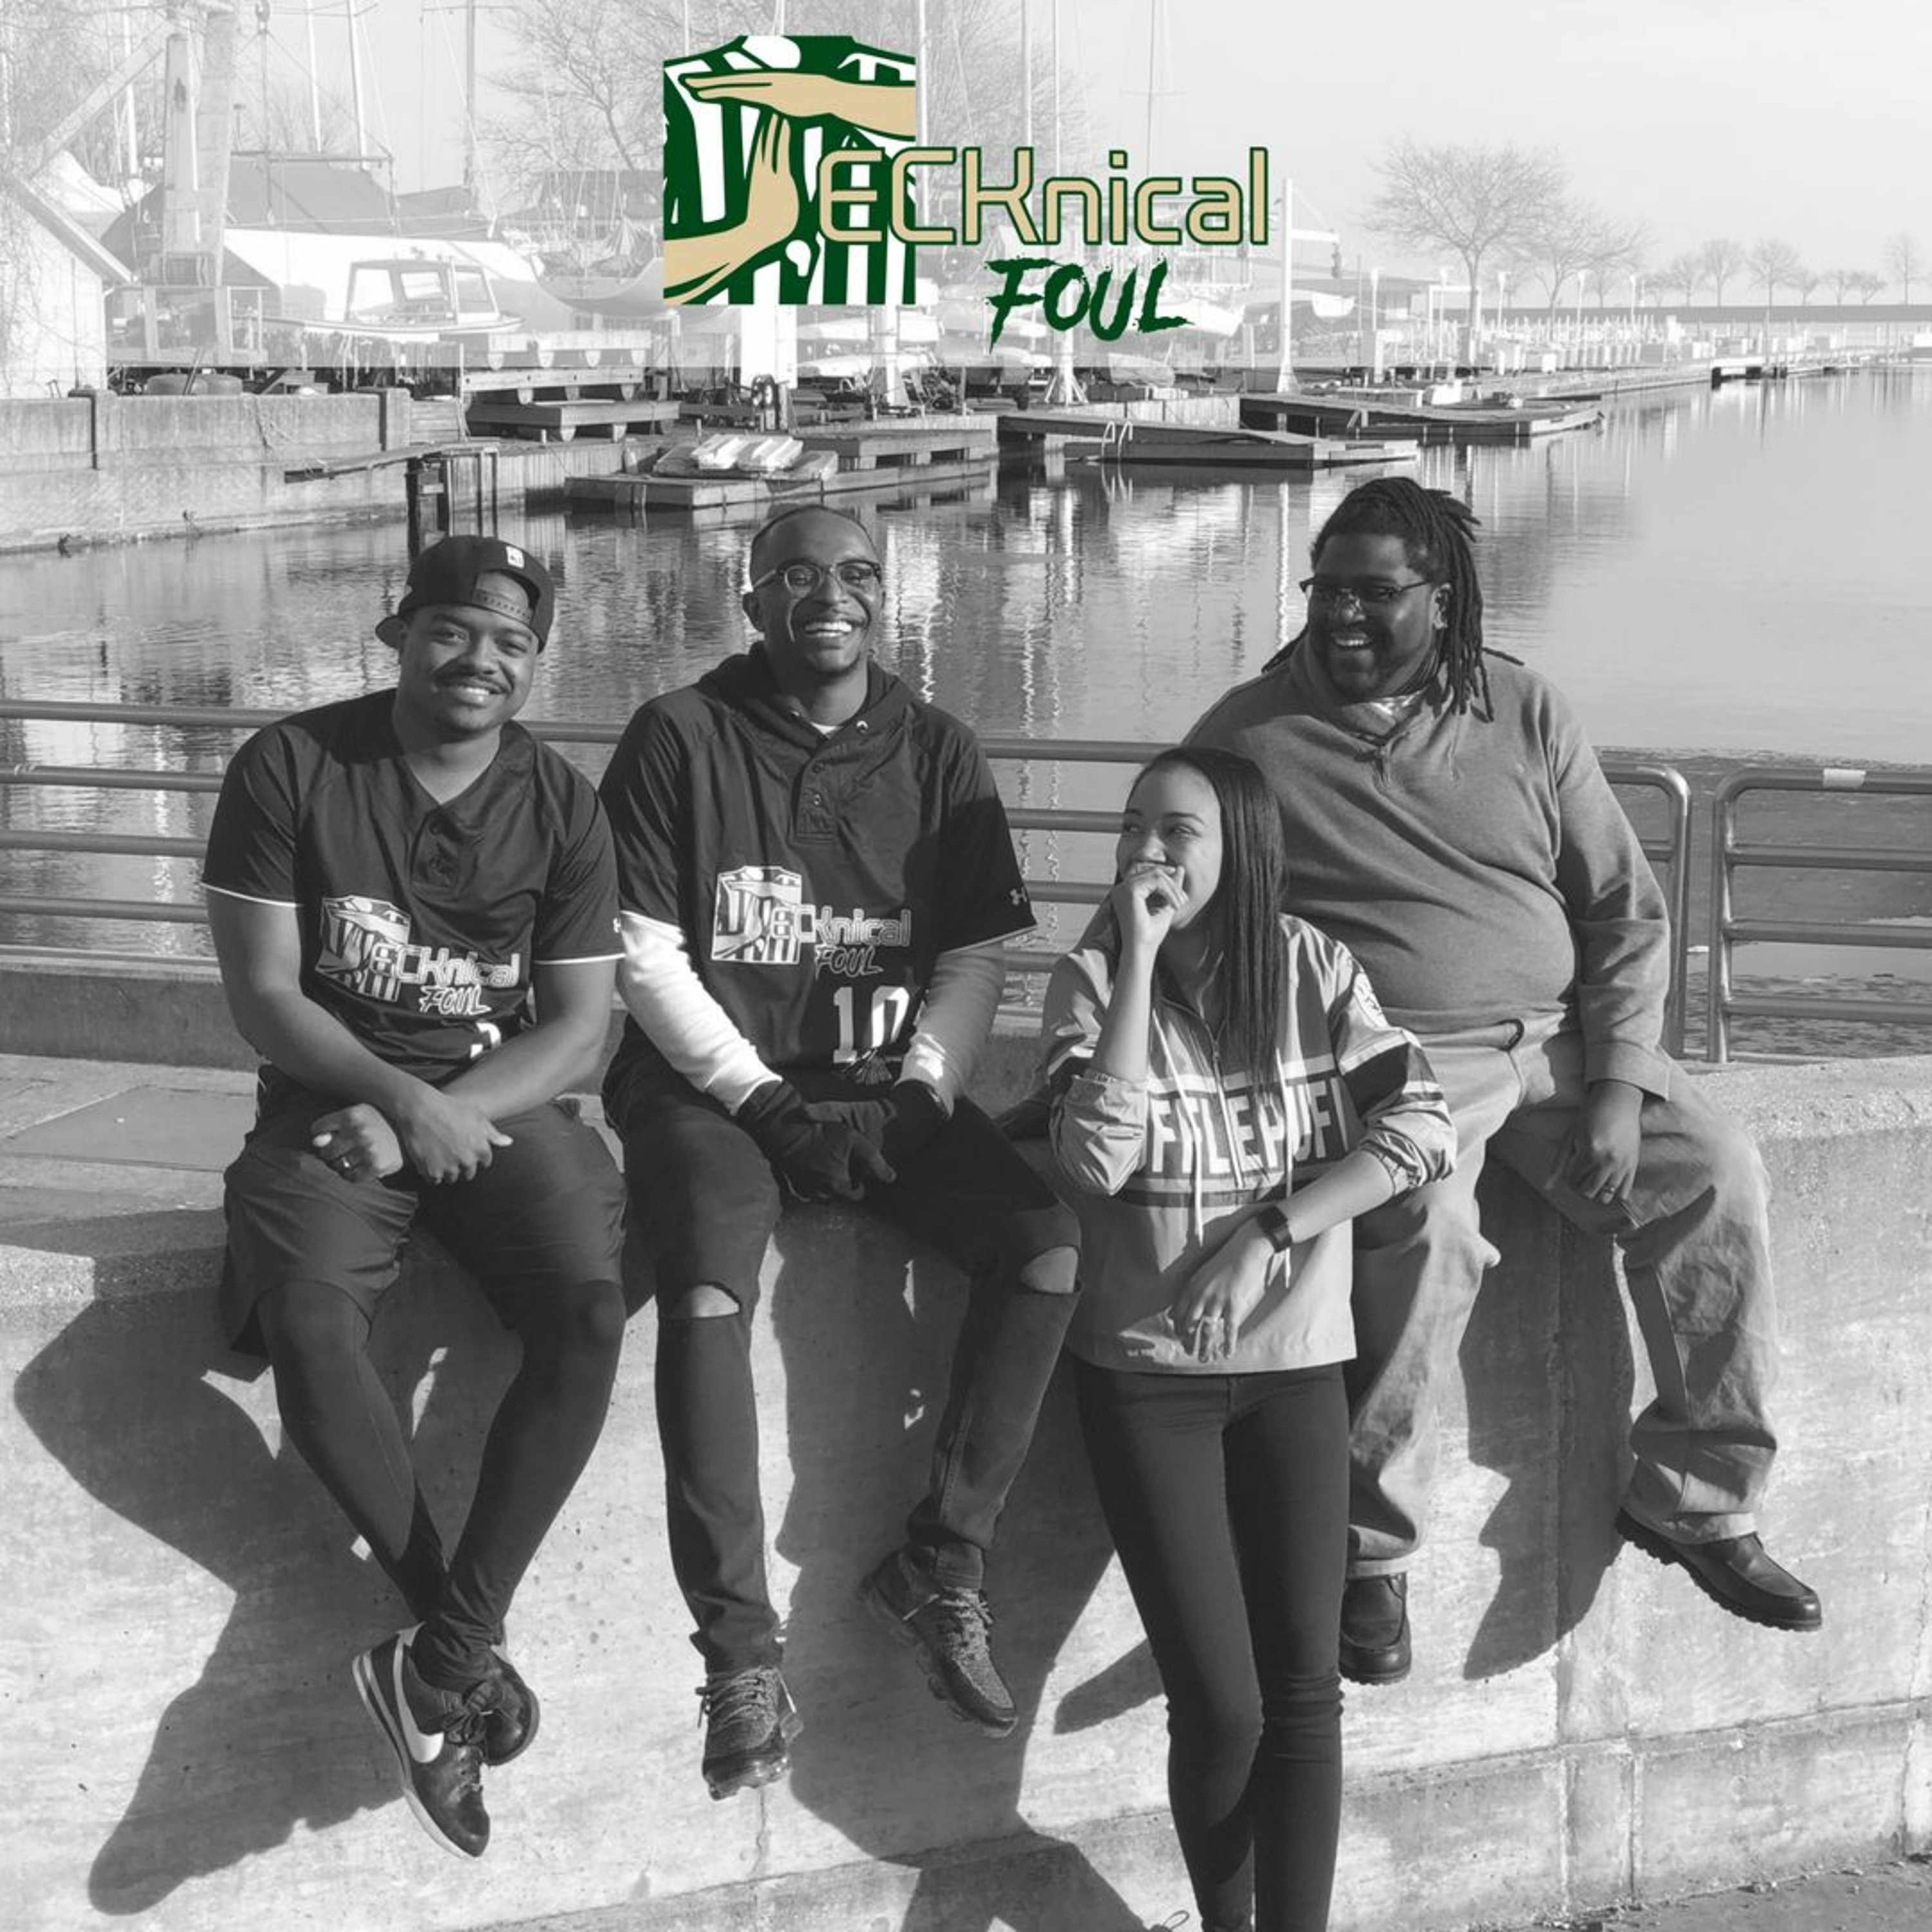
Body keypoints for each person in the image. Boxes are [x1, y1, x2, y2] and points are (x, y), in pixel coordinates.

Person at [1188, 476, 1822, 1686]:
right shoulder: (1249, 734)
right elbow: (1178, 897)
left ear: (1444, 598)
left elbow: (1623, 911)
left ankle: (1699, 1500)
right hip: (1401, 1064)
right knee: (1425, 1230)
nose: (1343, 615)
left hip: (1561, 1044)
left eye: (1375, 593)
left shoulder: (1523, 708)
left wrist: (1621, 1085)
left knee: (1719, 1174)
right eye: (1326, 590)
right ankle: (1368, 1554)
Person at [597, 504, 1080, 1800]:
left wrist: (922, 1097)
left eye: (859, 574)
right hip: (712, 1093)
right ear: (751, 598)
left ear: (887, 595)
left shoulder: (938, 748)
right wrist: (760, 1103)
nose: (833, 596)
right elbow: (643, 952)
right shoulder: (678, 735)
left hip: (884, 1087)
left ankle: (942, 1562)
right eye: (800, 575)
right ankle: (739, 1655)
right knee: (706, 1290)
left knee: (1043, 1250)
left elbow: (972, 953)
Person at [203, 535, 628, 1859]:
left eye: (511, 642)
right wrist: (397, 1101)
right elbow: (263, 992)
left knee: (589, 1313)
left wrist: (437, 1116)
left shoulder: (562, 805)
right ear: (398, 634)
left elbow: (582, 1032)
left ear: (534, 663)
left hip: (497, 1110)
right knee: (309, 1321)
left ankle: (437, 1666)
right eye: (453, 630)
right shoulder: (292, 764)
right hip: (328, 1108)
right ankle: (454, 1645)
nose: (479, 660)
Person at [1044, 746, 1454, 1932]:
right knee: (1222, 1708)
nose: (1148, 852)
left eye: (1178, 832)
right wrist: (1138, 964)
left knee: (1304, 1694)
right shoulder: (1090, 979)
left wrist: (1276, 1229)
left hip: (1295, 1374)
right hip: (1146, 1380)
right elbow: (1093, 1162)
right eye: (1133, 827)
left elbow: (1424, 1123)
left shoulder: (1316, 970)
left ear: (1243, 850)